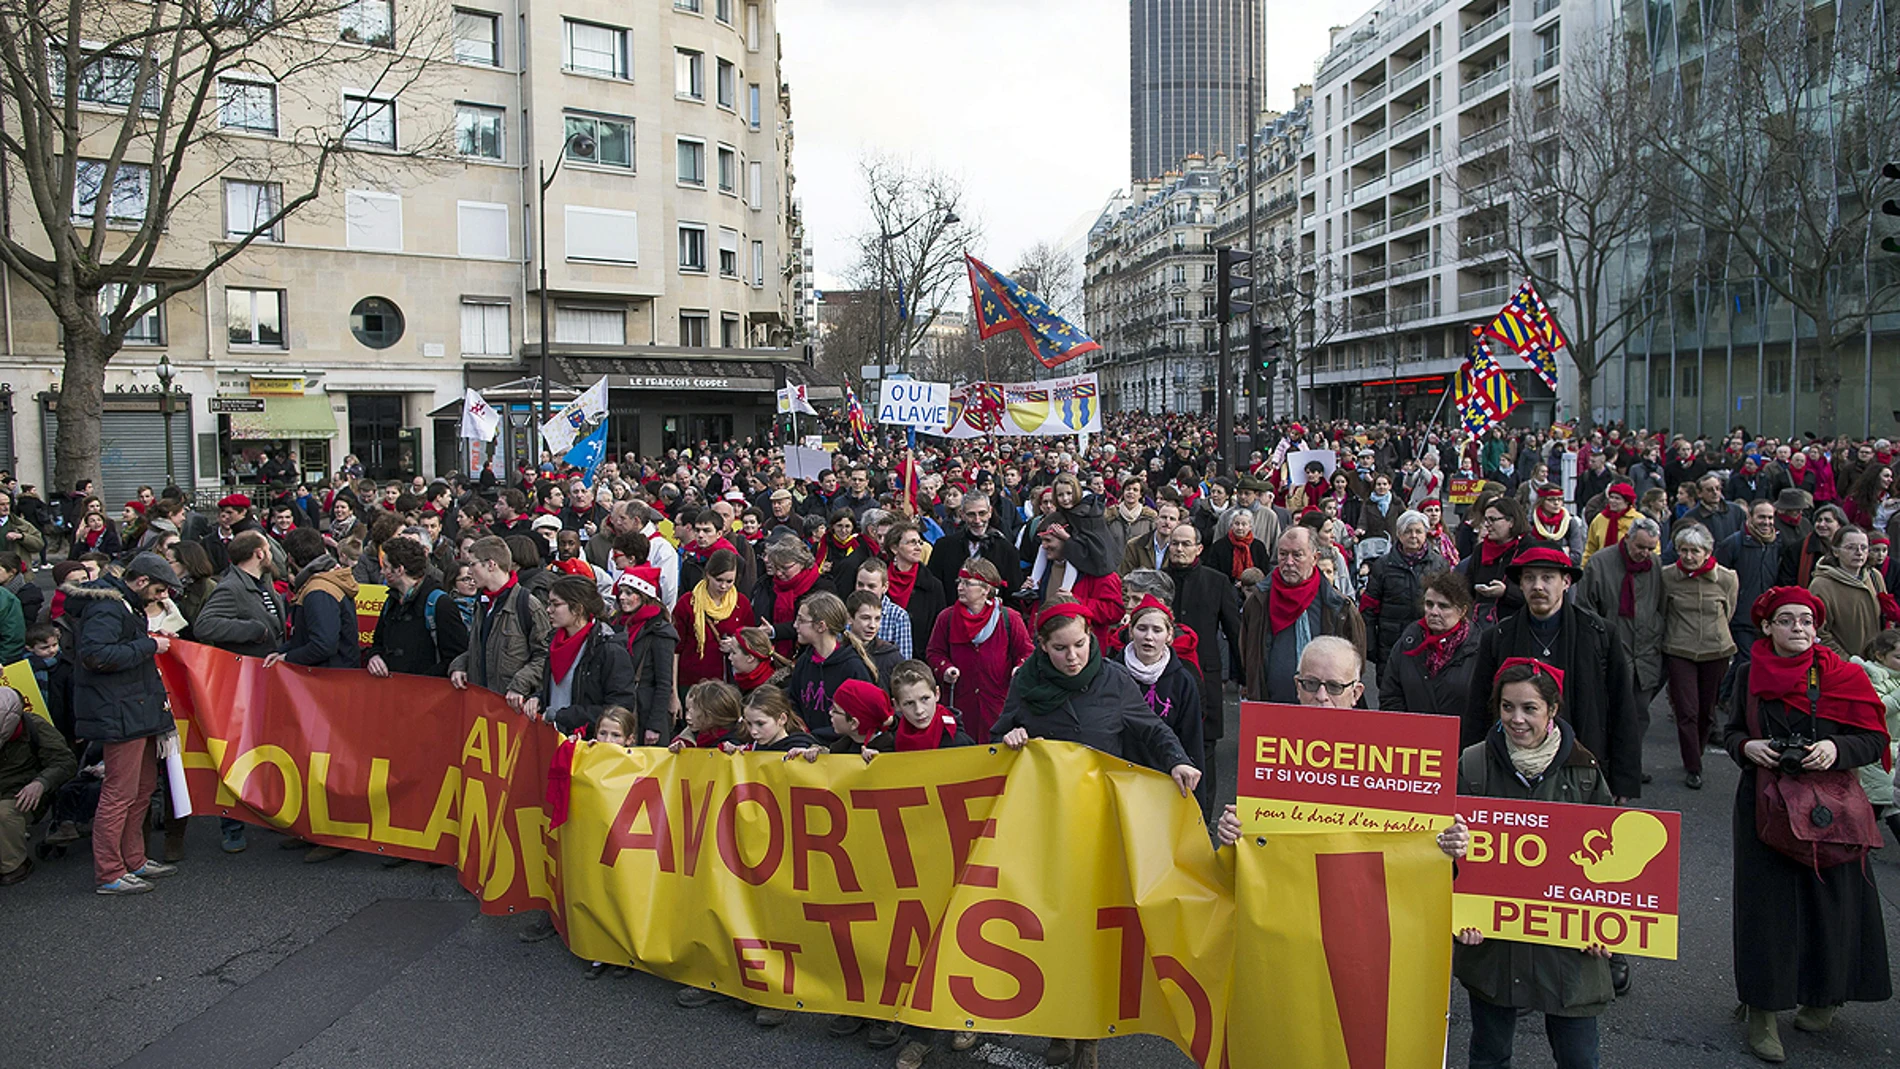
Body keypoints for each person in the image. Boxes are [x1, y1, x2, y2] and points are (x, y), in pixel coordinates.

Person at [993, 600, 1200, 1069]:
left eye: (1081, 644)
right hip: (1045, 828)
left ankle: (1089, 1038)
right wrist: (1009, 738)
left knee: (1093, 935)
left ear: (1092, 636)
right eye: (1061, 648)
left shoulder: (1112, 679)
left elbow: (1152, 729)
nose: (1073, 656)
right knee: (1048, 928)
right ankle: (1059, 1026)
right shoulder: (1026, 684)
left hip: (1100, 827)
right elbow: (997, 738)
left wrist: (1177, 760)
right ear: (1042, 648)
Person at [1727, 586, 1892, 1062]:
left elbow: (1872, 736)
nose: (1797, 629)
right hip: (1764, 804)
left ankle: (1825, 997)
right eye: (1786, 621)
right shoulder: (1747, 674)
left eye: (1805, 621)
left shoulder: (1841, 674)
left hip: (1830, 806)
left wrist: (1837, 750)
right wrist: (1745, 748)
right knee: (1767, 910)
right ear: (1766, 627)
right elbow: (1733, 728)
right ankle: (1762, 1012)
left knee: (1832, 903)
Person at [1442, 659, 1617, 1069]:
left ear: (1552, 710)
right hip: (1493, 949)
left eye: (1529, 708)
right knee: (1489, 1053)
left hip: (1569, 951)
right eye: (1507, 707)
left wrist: (1605, 927)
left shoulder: (1585, 773)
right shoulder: (1472, 766)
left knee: (1578, 1059)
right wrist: (1451, 851)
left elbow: (1615, 867)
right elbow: (1440, 859)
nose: (1516, 720)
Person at [1464, 544, 1645, 805]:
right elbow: (1478, 708)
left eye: (1547, 577)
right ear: (1521, 585)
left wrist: (1623, 778)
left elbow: (1622, 708)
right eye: (1529, 578)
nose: (1538, 586)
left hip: (1582, 768)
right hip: (1511, 768)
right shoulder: (1498, 637)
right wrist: (1470, 772)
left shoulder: (1600, 634)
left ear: (1566, 582)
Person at [67, 552, 184, 895]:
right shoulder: (108, 607)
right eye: (160, 591)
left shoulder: (122, 604)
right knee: (120, 793)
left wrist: (147, 640)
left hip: (132, 708)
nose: (162, 598)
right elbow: (95, 655)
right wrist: (150, 644)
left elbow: (111, 648)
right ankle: (109, 872)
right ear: (142, 581)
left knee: (142, 789)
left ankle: (134, 860)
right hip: (119, 711)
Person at [1241, 526, 1366, 703]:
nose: (1289, 562)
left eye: (1297, 555)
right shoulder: (1258, 602)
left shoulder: (1339, 606)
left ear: (1315, 558)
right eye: (1283, 554)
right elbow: (1247, 653)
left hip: (1325, 708)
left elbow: (1355, 662)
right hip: (1272, 708)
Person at [1658, 523, 1738, 790]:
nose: (1689, 557)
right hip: (1679, 649)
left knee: (1706, 711)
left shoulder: (1726, 578)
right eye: (1684, 551)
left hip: (1716, 650)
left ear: (1707, 552)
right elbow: (1662, 610)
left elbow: (1730, 609)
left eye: (1695, 551)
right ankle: (1693, 765)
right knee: (1687, 710)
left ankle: (1698, 749)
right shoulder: (1667, 576)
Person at [1573, 515, 1666, 741]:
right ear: (1628, 538)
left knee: (1639, 713)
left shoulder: (1654, 565)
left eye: (1650, 548)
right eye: (1640, 546)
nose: (1645, 553)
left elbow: (1661, 606)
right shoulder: (1600, 563)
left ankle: (1632, 764)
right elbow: (1584, 610)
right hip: (1612, 650)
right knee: (1608, 711)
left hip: (1645, 652)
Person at [924, 558, 1031, 745]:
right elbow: (934, 652)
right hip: (961, 707)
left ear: (986, 589)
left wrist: (1018, 669)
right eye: (959, 582)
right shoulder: (946, 618)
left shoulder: (1009, 619)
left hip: (998, 707)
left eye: (967, 583)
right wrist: (946, 669)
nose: (960, 588)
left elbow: (1027, 653)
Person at [449, 536, 552, 708]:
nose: (469, 571)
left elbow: (545, 656)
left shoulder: (527, 605)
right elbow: (482, 648)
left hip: (511, 709)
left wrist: (521, 684)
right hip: (480, 704)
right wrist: (460, 664)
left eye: (473, 564)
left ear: (491, 564)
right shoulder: (482, 602)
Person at [0, 686, 76, 885]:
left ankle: (14, 864)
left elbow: (65, 762)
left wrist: (41, 783)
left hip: (23, 792)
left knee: (4, 813)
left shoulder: (35, 727)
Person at [1119, 595, 1204, 771]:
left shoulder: (1183, 681)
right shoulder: (1113, 673)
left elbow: (1191, 738)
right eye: (1142, 628)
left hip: (1164, 773)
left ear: (1169, 635)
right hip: (1118, 772)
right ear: (1131, 631)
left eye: (1157, 630)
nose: (1148, 637)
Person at [1380, 571, 1483, 717]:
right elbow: (1390, 693)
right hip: (1413, 735)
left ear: (1462, 611)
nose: (1434, 612)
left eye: (1443, 606)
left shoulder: (1478, 648)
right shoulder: (1408, 642)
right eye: (1429, 604)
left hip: (1463, 737)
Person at [366, 535, 468, 678]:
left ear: (399, 569)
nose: (382, 572)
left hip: (427, 692)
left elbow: (457, 656)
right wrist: (374, 657)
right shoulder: (392, 600)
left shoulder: (439, 604)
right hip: (392, 689)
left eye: (386, 567)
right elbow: (378, 642)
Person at [782, 591, 878, 742]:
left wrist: (819, 738)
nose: (795, 625)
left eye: (801, 620)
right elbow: (793, 701)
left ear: (821, 626)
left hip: (840, 753)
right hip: (806, 746)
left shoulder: (852, 667)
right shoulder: (804, 662)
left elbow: (862, 717)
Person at [264, 528, 359, 670]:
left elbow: (324, 645)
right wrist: (281, 651)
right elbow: (305, 637)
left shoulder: (319, 590)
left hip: (328, 678)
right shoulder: (323, 582)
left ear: (290, 557)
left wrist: (287, 657)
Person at [1360, 510, 1448, 665]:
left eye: (1418, 531)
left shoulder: (1439, 564)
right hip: (1391, 642)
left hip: (1427, 639)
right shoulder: (1383, 565)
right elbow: (1369, 606)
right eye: (1408, 531)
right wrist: (1369, 643)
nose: (1413, 536)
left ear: (1425, 534)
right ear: (1399, 534)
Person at [671, 546, 753, 692]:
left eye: (729, 581)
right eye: (719, 580)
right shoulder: (687, 603)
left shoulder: (742, 603)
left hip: (727, 684)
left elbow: (750, 644)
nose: (723, 586)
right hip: (690, 683)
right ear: (708, 574)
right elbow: (675, 650)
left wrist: (736, 645)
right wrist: (674, 693)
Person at [613, 566, 679, 743]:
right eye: (621, 592)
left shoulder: (661, 632)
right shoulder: (618, 625)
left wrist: (655, 726)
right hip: (621, 712)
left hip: (647, 714)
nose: (622, 597)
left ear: (643, 596)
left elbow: (664, 683)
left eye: (628, 593)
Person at [1810, 525, 1888, 659]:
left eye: (1863, 548)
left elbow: (1887, 616)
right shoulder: (1821, 585)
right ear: (1836, 551)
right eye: (1851, 547)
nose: (1859, 552)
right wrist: (1848, 661)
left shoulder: (1874, 576)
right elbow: (1819, 633)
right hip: (1845, 665)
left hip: (1878, 662)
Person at [752, 537, 836, 657]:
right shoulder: (767, 584)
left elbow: (818, 624)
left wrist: (775, 631)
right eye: (776, 567)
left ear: (802, 562)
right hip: (772, 655)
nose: (779, 573)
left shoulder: (823, 588)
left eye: (785, 568)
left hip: (810, 654)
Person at [927, 493, 1022, 597]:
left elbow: (1013, 593)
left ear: (990, 512)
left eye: (982, 513)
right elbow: (933, 589)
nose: (977, 520)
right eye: (971, 514)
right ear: (962, 514)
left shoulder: (1006, 550)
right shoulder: (943, 547)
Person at [1458, 495, 1526, 626]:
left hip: (1517, 622)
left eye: (1493, 520)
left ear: (1511, 522)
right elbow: (1467, 584)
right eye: (1486, 520)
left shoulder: (1527, 550)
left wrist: (1506, 592)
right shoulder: (1480, 550)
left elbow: (1535, 593)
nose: (1487, 525)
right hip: (1482, 623)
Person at [883, 521, 946, 652]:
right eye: (912, 542)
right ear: (894, 548)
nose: (918, 547)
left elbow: (939, 633)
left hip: (919, 661)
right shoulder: (878, 580)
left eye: (919, 542)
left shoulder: (933, 586)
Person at [853, 559, 915, 659]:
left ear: (885, 587)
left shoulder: (898, 616)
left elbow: (904, 660)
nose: (865, 590)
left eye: (871, 586)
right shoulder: (847, 610)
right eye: (860, 584)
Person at [843, 591, 905, 683]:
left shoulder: (890, 656)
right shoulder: (839, 653)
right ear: (849, 618)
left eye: (877, 619)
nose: (872, 625)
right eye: (865, 618)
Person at [666, 679, 744, 751]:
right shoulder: (688, 738)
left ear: (712, 716)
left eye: (694, 712)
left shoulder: (733, 741)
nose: (687, 717)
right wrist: (680, 751)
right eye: (687, 710)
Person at [1203, 507, 1270, 586]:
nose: (1240, 528)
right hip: (1226, 588)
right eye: (1237, 524)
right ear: (1231, 525)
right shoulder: (1219, 546)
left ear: (1250, 527)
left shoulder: (1258, 546)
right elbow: (1213, 571)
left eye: (1244, 524)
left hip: (1253, 589)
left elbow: (1264, 571)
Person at [1120, 500, 1183, 574]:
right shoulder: (1135, 545)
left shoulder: (1180, 549)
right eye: (1163, 517)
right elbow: (1125, 575)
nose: (1167, 522)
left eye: (1172, 519)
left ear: (1178, 523)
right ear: (1156, 519)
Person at [1527, 485, 1585, 563]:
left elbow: (1577, 557)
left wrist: (1543, 554)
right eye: (1551, 500)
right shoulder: (1530, 522)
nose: (1556, 503)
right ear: (1541, 501)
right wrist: (1563, 551)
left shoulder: (1570, 522)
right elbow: (1527, 554)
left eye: (1560, 499)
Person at [1582, 482, 1638, 562]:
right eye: (1611, 497)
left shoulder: (1638, 520)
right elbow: (1590, 549)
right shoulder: (1600, 519)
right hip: (1602, 567)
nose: (1613, 501)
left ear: (1627, 501)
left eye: (1617, 498)